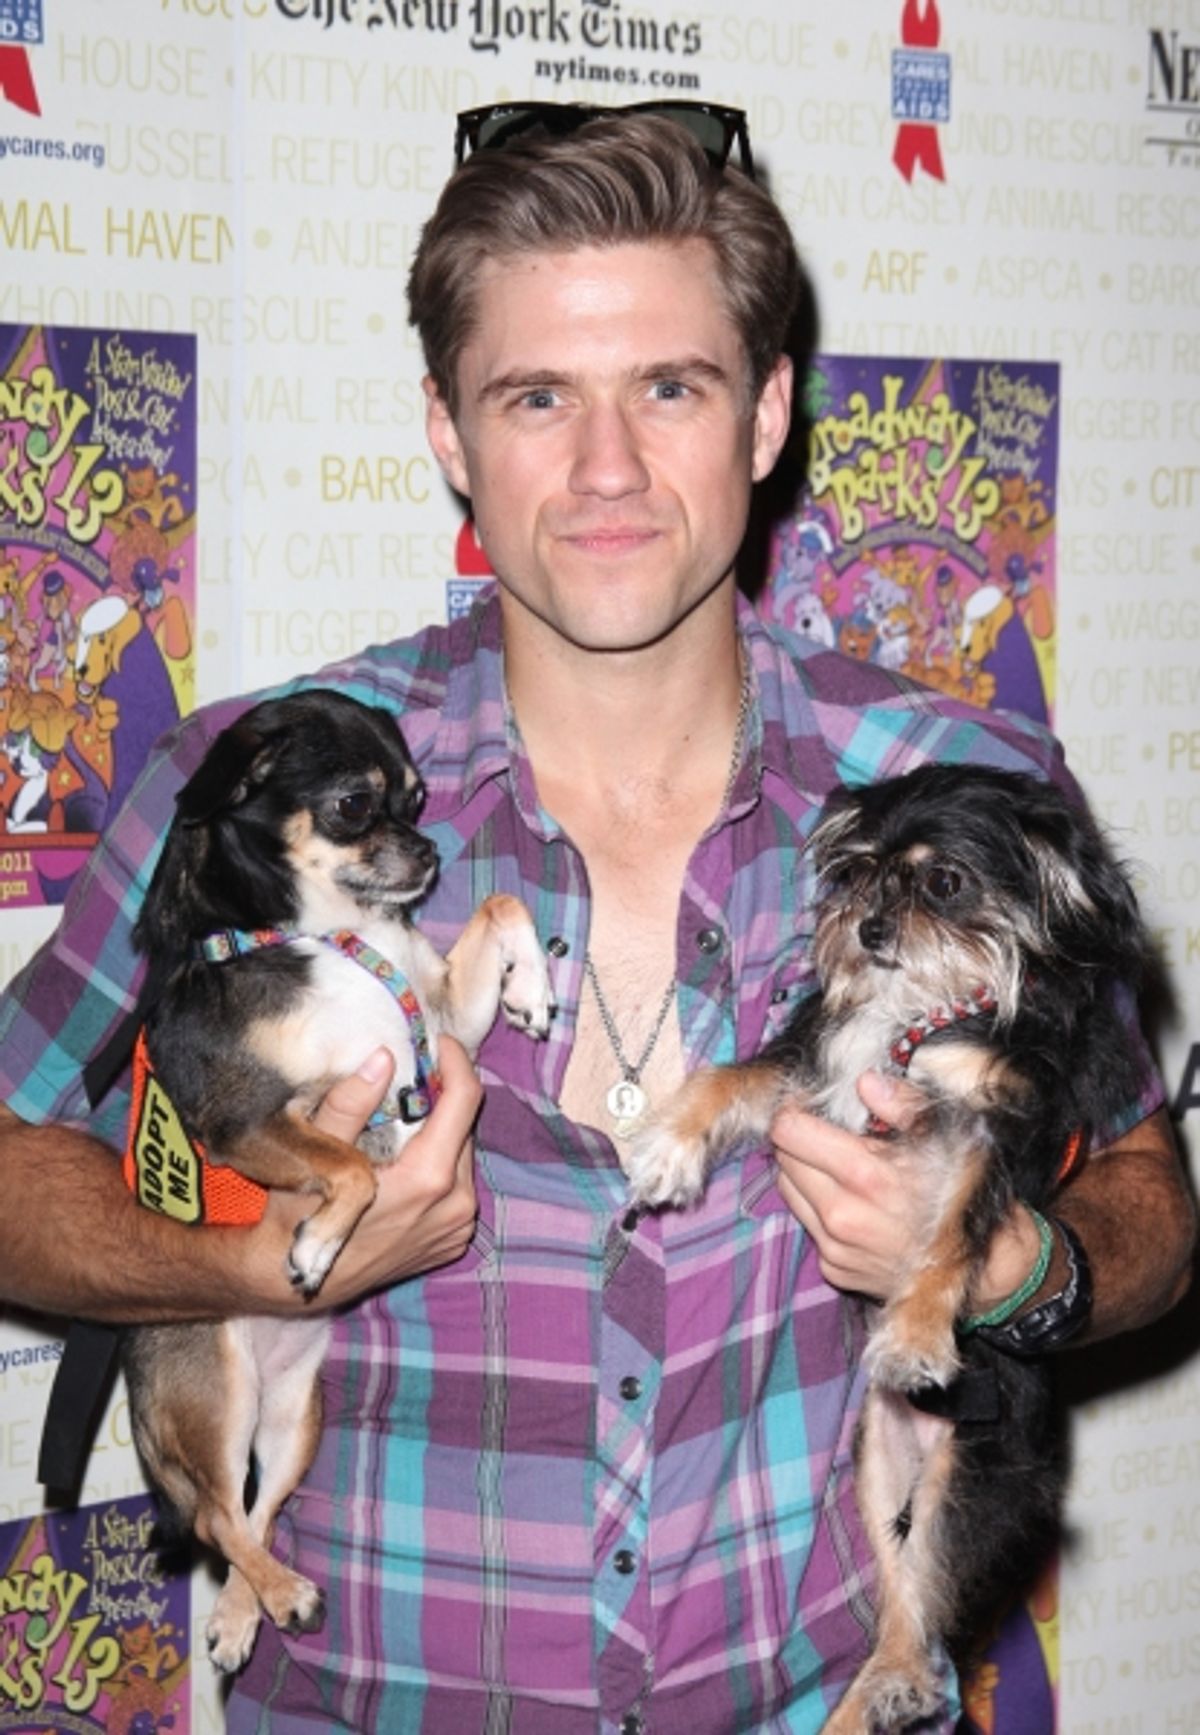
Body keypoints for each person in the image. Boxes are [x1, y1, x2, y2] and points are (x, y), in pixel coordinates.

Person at [0, 105, 1192, 1734]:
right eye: (538, 396)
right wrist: (270, 1263)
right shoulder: (260, 788)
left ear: (767, 412)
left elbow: (1141, 1189)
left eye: (673, 388)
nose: (610, 468)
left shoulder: (955, 796)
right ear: (445, 429)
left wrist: (1008, 1269)